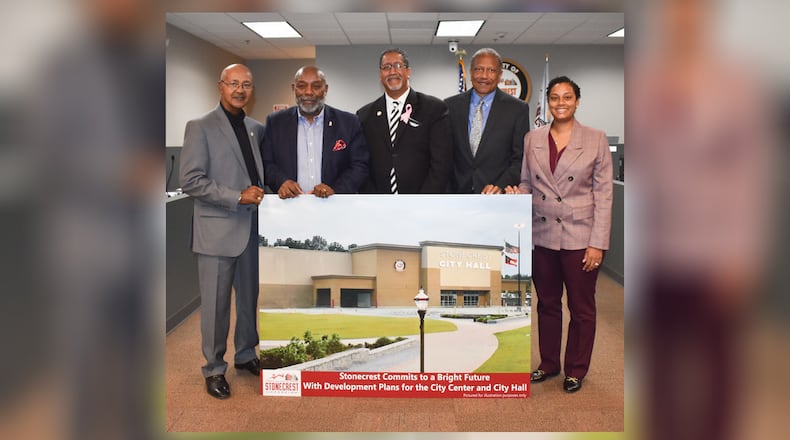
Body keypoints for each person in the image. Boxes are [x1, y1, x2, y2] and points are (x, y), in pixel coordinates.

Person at [506, 76, 613, 393]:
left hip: (581, 238)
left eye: (567, 97)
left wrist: (598, 243)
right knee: (547, 304)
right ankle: (549, 364)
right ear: (548, 102)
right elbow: (527, 183)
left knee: (581, 308)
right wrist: (517, 194)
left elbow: (604, 195)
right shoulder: (532, 138)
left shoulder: (595, 138)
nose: (561, 102)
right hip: (543, 235)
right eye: (555, 97)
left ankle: (576, 369)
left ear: (577, 101)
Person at [179, 64, 265, 399]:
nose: (240, 90)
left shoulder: (257, 128)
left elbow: (261, 177)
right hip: (217, 231)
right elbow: (190, 180)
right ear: (221, 86)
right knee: (215, 306)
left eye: (246, 84)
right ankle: (214, 368)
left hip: (253, 230)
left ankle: (246, 355)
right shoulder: (199, 127)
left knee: (249, 301)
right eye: (234, 84)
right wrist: (235, 196)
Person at [261, 65, 369, 199]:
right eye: (302, 86)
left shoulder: (348, 123)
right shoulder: (275, 122)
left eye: (316, 86)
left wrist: (335, 191)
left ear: (326, 89)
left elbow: (359, 165)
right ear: (294, 89)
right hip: (289, 207)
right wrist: (282, 182)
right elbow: (266, 163)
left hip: (334, 208)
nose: (308, 92)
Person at [356, 48, 452, 193]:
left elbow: (441, 163)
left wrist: (423, 201)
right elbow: (361, 163)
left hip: (423, 203)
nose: (392, 72)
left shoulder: (434, 109)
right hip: (378, 205)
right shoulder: (364, 115)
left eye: (398, 66)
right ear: (380, 74)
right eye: (386, 67)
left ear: (408, 72)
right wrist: (374, 200)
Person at [445, 48, 531, 194]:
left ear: (499, 75)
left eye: (491, 70)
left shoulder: (517, 109)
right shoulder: (449, 106)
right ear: (471, 72)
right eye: (479, 69)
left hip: (496, 198)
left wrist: (500, 186)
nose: (484, 76)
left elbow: (519, 159)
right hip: (456, 196)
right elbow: (444, 155)